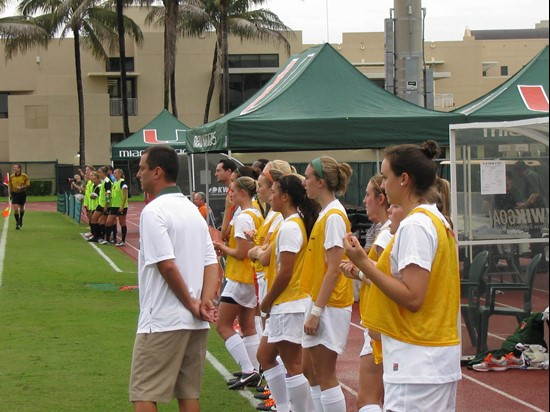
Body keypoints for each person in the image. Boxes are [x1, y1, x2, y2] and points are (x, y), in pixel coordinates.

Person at [343, 141, 461, 411]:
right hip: (427, 356)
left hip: (418, 358)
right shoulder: (433, 219)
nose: (383, 185)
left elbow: (413, 296)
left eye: (386, 177)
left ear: (404, 180)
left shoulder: (415, 225)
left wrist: (363, 262)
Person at [129, 145, 219, 412]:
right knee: (189, 393)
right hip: (194, 322)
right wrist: (204, 302)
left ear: (158, 172)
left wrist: (193, 303)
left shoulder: (154, 211)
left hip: (163, 318)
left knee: (144, 392)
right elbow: (210, 262)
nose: (138, 174)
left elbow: (167, 266)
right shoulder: (192, 209)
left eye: (142, 168)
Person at [257, 174, 320, 412]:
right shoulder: (291, 223)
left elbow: (286, 272)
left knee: (294, 365)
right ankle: (284, 407)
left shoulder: (291, 226)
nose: (270, 196)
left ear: (285, 197)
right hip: (287, 303)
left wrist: (267, 301)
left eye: (273, 192)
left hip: (289, 303)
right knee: (265, 355)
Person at [300, 156, 353, 412]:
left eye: (308, 177)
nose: (305, 182)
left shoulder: (333, 216)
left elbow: (334, 270)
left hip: (329, 304)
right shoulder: (327, 214)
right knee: (310, 371)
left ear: (321, 182)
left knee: (325, 374)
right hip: (321, 301)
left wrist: (316, 312)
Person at [340, 174, 391, 412]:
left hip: (382, 324)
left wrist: (359, 271)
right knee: (375, 399)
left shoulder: (388, 232)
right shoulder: (381, 230)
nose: (364, 200)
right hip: (378, 321)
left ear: (381, 198)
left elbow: (383, 279)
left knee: (368, 400)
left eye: (368, 194)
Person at [213, 176, 264, 390]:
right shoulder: (256, 213)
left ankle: (248, 369)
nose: (229, 194)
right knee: (247, 325)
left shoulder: (244, 217)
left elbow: (242, 253)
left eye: (232, 190)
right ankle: (254, 370)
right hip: (249, 277)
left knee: (222, 324)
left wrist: (221, 247)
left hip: (240, 277)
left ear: (242, 192)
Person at [215, 159, 238, 241]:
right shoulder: (230, 191)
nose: (215, 174)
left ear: (228, 171)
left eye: (218, 171)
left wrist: (225, 231)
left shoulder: (235, 194)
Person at [108, 168, 129, 246]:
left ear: (120, 174)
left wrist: (122, 205)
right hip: (114, 205)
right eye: (114, 173)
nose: (114, 174)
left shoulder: (122, 182)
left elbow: (125, 195)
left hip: (121, 206)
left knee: (122, 222)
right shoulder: (114, 183)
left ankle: (123, 240)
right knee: (109, 221)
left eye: (116, 173)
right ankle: (112, 238)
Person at [8, 163, 30, 230]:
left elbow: (28, 185)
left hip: (22, 194)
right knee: (15, 208)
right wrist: (9, 194)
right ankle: (18, 223)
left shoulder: (25, 176)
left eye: (15, 167)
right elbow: (9, 186)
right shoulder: (11, 176)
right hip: (14, 194)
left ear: (19, 168)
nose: (14, 168)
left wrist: (21, 187)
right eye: (14, 167)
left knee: (22, 208)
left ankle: (21, 219)